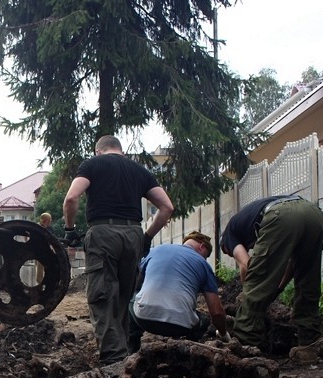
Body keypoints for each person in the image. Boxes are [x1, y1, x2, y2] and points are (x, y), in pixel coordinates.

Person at [63, 134, 174, 364]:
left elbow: (71, 198)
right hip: (133, 234)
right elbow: (166, 207)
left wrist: (69, 229)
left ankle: (114, 362)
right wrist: (146, 236)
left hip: (102, 234)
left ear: (98, 151)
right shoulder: (139, 170)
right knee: (123, 298)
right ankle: (125, 354)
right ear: (120, 150)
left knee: (103, 298)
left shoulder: (92, 164)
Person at [220, 194, 323, 354]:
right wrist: (278, 288)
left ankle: (246, 347)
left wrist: (248, 290)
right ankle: (308, 346)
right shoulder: (249, 223)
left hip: (281, 215)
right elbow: (292, 264)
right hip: (313, 213)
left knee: (254, 286)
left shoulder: (229, 237)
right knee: (307, 280)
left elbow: (247, 266)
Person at [127, 232, 230, 353]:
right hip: (180, 326)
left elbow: (135, 282)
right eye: (206, 256)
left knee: (131, 299)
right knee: (204, 321)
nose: (204, 259)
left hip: (143, 319)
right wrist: (223, 334)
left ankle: (132, 350)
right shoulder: (204, 265)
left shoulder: (156, 250)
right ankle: (188, 353)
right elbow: (217, 312)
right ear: (201, 246)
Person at [36, 212, 54, 283]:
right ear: (44, 220)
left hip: (46, 251)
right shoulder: (37, 228)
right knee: (39, 270)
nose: (51, 221)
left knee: (48, 268)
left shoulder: (48, 229)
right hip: (39, 251)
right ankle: (39, 285)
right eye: (49, 219)